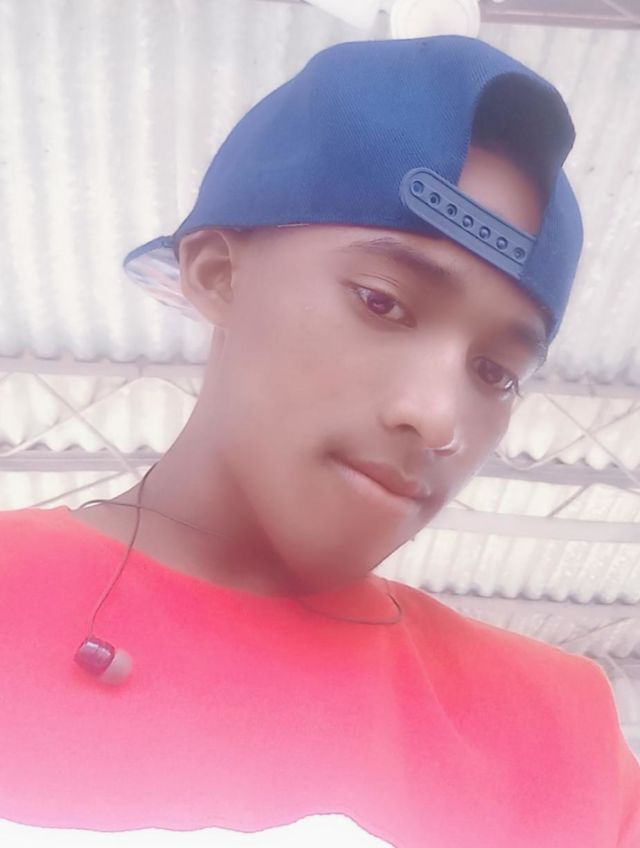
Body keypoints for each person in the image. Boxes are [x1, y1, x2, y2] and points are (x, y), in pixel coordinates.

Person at [0, 34, 638, 848]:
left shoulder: (559, 740)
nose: (438, 418)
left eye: (495, 372)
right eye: (381, 302)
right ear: (217, 274)